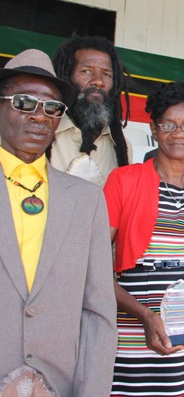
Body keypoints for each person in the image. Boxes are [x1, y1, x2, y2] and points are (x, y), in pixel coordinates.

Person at [104, 81, 184, 397]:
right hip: (140, 341)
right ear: (153, 128)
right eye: (168, 125)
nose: (179, 133)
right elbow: (94, 270)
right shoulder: (123, 181)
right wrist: (146, 316)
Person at [0, 49, 117, 396]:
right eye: (24, 103)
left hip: (59, 385)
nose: (40, 117)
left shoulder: (86, 198)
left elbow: (98, 312)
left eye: (52, 108)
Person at [50, 35, 132, 185]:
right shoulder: (44, 134)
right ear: (66, 76)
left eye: (106, 74)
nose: (98, 81)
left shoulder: (122, 148)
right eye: (86, 71)